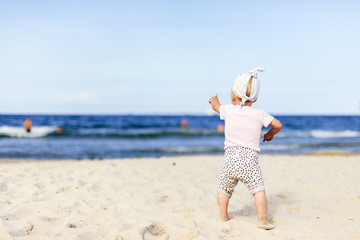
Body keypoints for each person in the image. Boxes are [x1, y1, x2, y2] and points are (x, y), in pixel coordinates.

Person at [208, 67, 282, 230]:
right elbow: (278, 124)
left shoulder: (227, 109)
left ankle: (223, 216)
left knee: (224, 189)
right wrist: (270, 134)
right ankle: (262, 220)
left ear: (233, 94)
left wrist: (213, 99)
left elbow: (215, 106)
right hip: (250, 162)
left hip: (231, 161)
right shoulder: (259, 113)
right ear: (255, 99)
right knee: (258, 190)